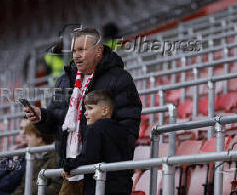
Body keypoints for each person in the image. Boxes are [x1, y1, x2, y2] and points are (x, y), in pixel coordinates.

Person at [23, 27, 141, 195]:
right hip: (70, 173)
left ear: (99, 50)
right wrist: (42, 117)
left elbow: (128, 129)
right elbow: (56, 124)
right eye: (73, 51)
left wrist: (97, 157)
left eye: (81, 50)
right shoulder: (64, 80)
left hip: (104, 174)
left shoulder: (119, 79)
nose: (76, 55)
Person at [61, 89, 132, 195]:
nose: (85, 113)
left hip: (100, 188)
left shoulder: (94, 129)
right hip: (122, 188)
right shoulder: (123, 130)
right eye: (85, 109)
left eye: (90, 108)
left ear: (105, 111)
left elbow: (89, 158)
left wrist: (68, 165)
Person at [12, 123, 62, 195]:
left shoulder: (56, 156)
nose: (26, 138)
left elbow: (56, 187)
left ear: (39, 138)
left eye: (29, 135)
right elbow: (23, 185)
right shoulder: (35, 157)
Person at [0, 118, 29, 195]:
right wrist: (11, 165)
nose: (23, 133)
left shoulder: (34, 154)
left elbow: (12, 181)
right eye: (21, 128)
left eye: (27, 129)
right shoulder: (15, 151)